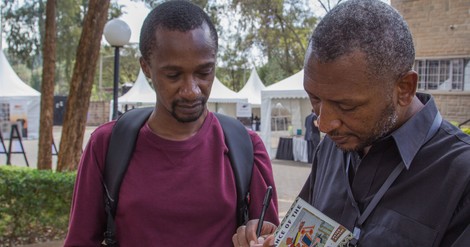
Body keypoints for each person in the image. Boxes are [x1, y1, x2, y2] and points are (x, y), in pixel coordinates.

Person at [232, 0, 470, 246]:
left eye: (346, 106)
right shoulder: (329, 150)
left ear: (404, 88)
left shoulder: (462, 176)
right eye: (314, 99)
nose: (323, 124)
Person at [64, 1, 279, 246]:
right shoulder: (106, 145)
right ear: (146, 67)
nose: (191, 90)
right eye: (173, 75)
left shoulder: (247, 147)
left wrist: (257, 237)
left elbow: (270, 235)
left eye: (204, 72)